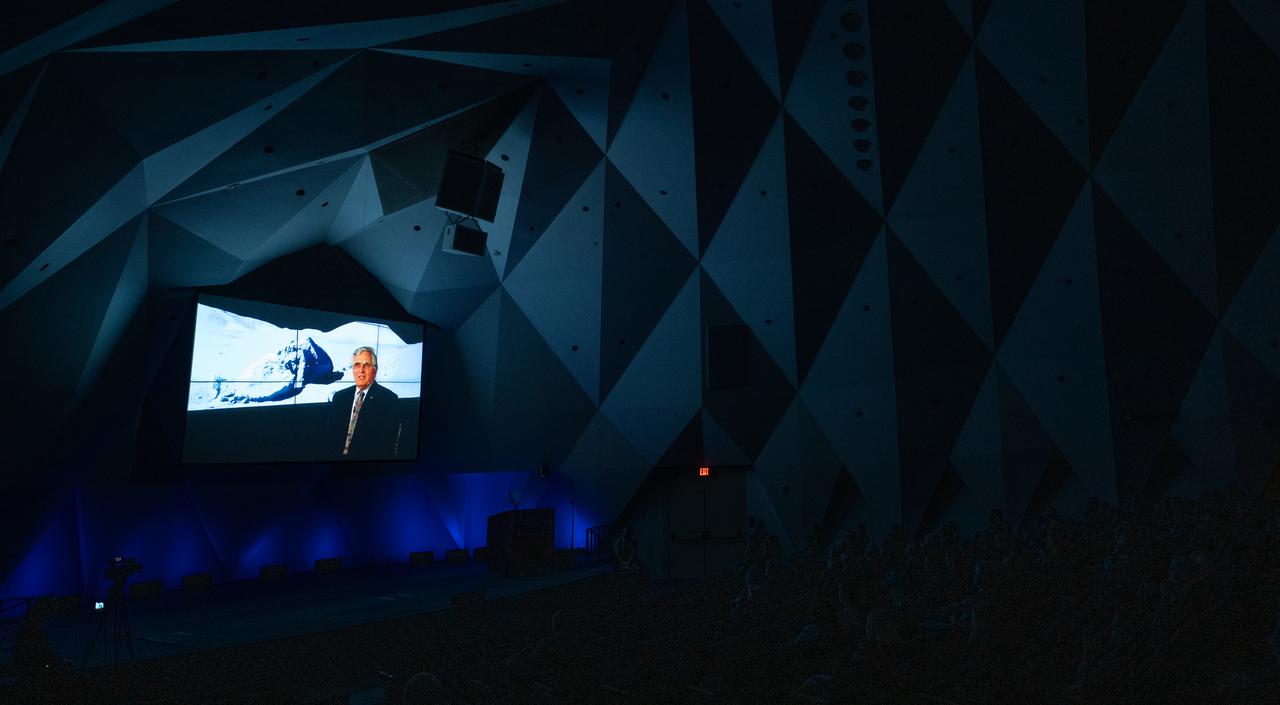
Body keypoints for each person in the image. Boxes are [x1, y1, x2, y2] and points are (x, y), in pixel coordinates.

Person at [324, 346, 403, 460]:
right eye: (357, 365)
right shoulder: (340, 397)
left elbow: (386, 445)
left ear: (375, 370)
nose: (361, 370)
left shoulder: (389, 399)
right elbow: (330, 437)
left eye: (366, 365)